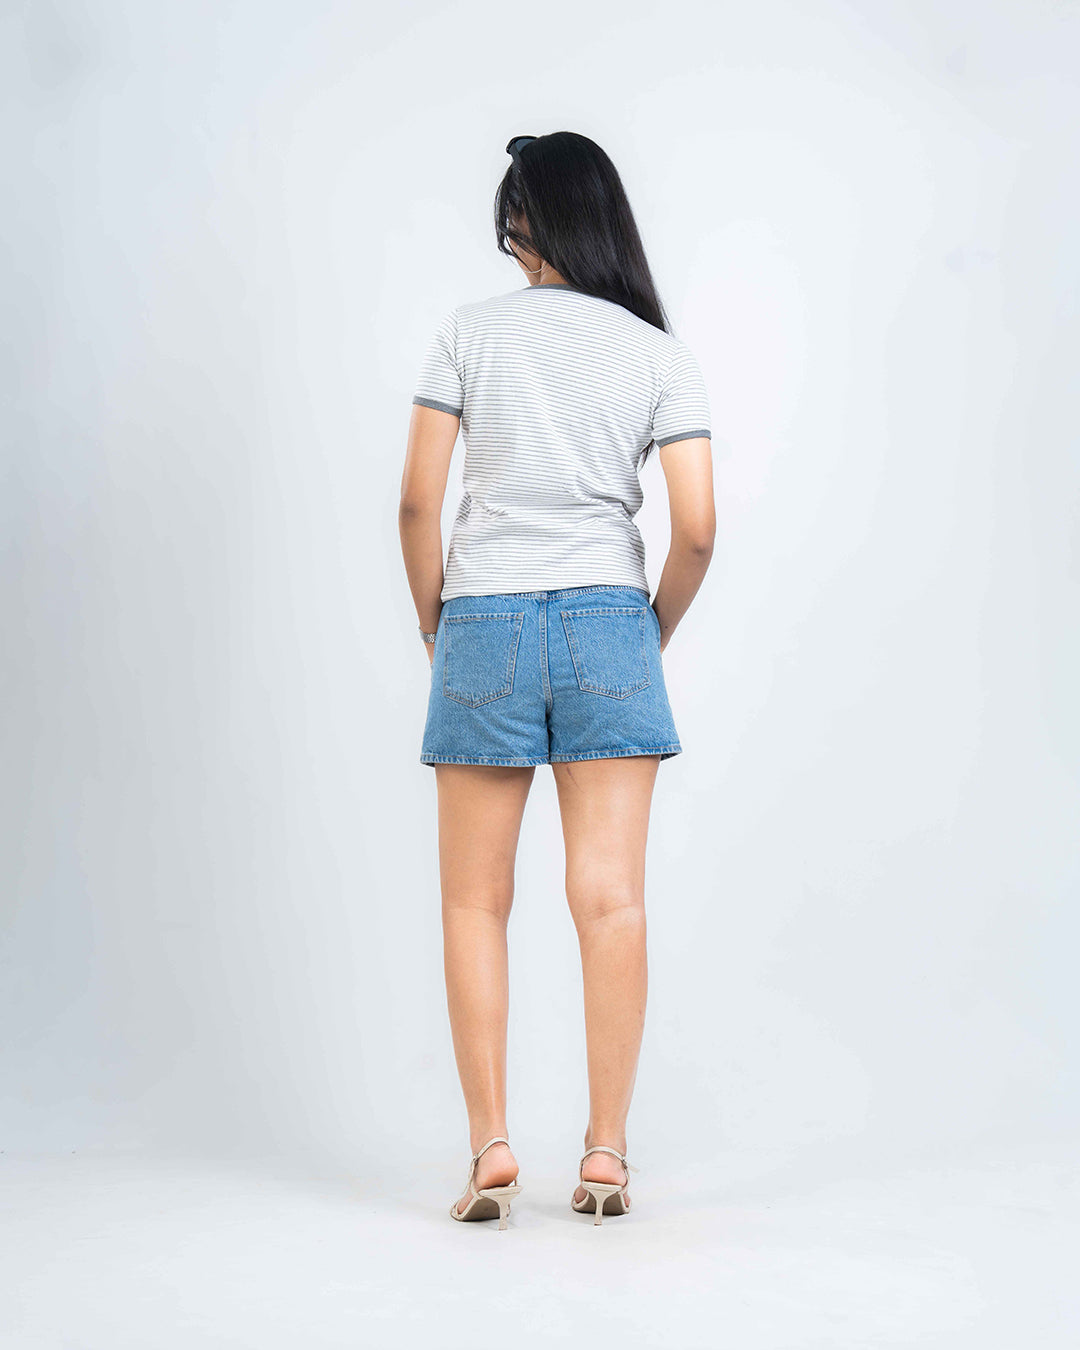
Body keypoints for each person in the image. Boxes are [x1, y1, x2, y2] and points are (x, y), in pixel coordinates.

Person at [398, 131, 715, 1229]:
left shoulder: (467, 334)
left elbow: (415, 503)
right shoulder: (658, 353)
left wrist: (437, 627)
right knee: (612, 899)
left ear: (517, 225)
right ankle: (606, 1155)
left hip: (482, 615)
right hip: (609, 620)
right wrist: (646, 632)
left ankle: (490, 1146)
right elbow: (698, 530)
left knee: (472, 901)